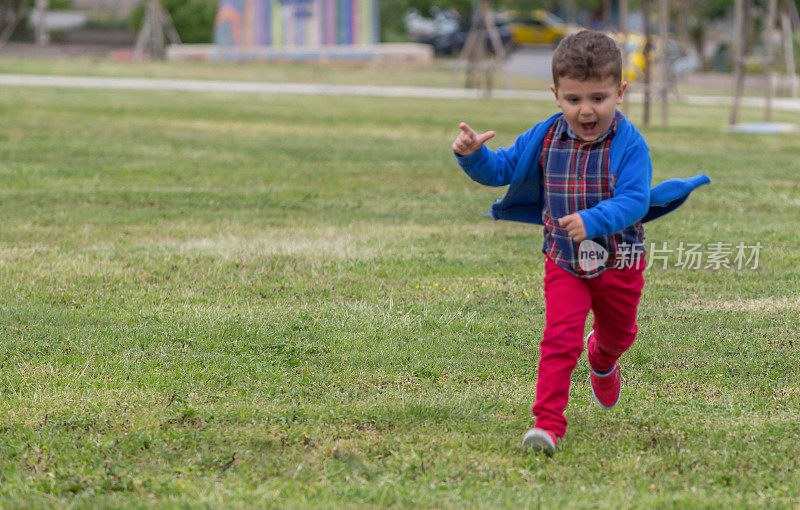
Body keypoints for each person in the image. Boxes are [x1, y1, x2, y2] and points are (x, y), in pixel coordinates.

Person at [451, 30, 709, 455]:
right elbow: (501, 171)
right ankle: (548, 424)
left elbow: (633, 201)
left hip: (619, 262)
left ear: (620, 92)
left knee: (619, 335)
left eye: (598, 98)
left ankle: (602, 358)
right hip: (564, 261)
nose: (586, 110)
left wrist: (592, 219)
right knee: (558, 338)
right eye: (574, 100)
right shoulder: (545, 136)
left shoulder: (630, 145)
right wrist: (472, 155)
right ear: (556, 95)